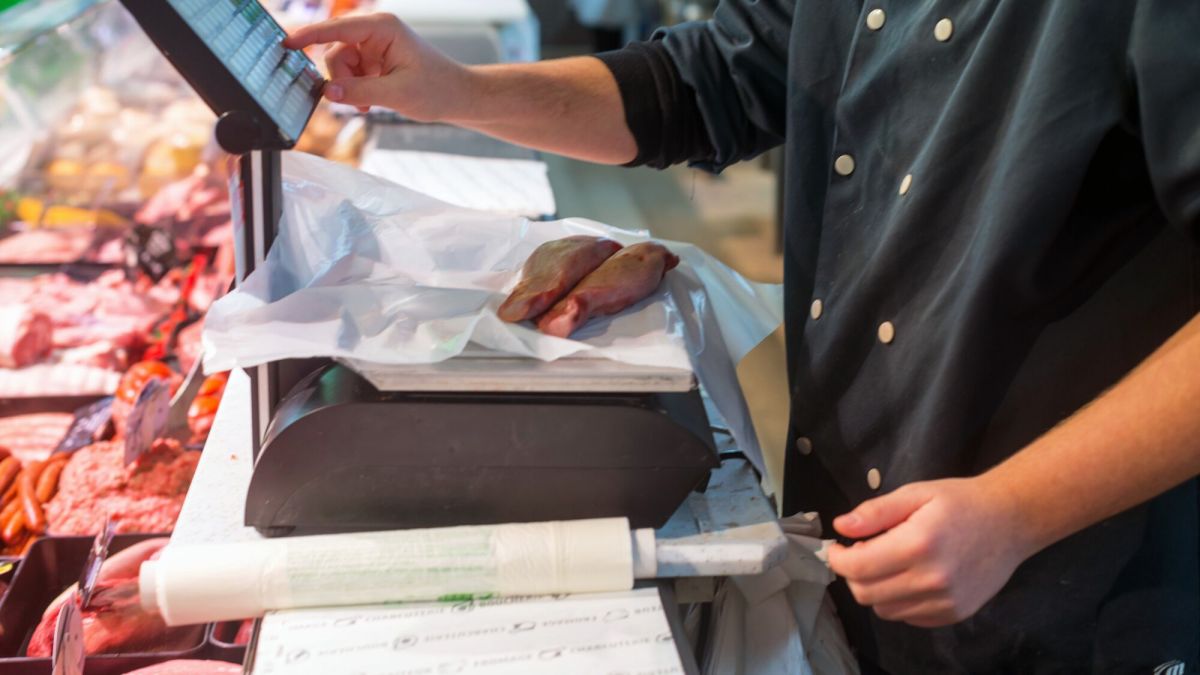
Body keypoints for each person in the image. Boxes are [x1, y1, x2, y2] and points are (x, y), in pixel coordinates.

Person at [284, 3, 1200, 672]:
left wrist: (1016, 511)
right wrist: (451, 88)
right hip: (856, 544)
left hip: (1070, 582)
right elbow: (701, 83)